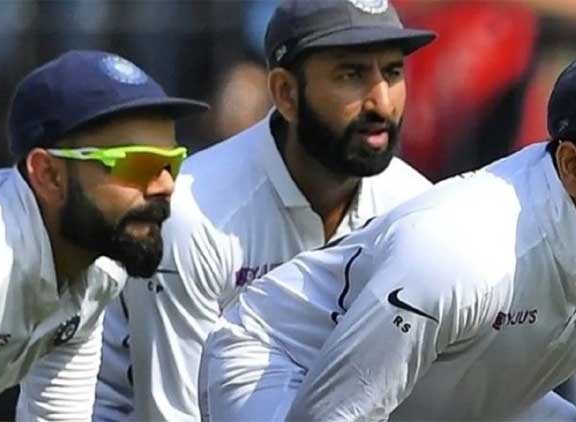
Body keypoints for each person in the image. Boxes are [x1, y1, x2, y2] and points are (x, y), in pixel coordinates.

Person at [201, 42, 576, 420]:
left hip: (451, 377)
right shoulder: (462, 250)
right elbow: (335, 414)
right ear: (571, 165)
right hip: (287, 367)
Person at [93, 0, 436, 420]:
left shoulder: (414, 209)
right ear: (286, 94)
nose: (381, 102)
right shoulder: (193, 215)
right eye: (351, 75)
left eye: (393, 72)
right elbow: (173, 414)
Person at [0, 50, 207, 420]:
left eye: (171, 164)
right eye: (138, 164)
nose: (165, 185)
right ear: (49, 175)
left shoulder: (99, 274)